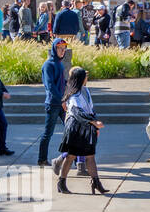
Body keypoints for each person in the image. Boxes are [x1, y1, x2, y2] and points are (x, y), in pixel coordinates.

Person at [54, 66, 109, 195]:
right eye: (85, 76)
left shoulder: (86, 90)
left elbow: (90, 109)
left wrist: (94, 124)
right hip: (75, 127)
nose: (87, 78)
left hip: (86, 126)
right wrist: (94, 122)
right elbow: (77, 112)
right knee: (71, 156)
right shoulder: (73, 95)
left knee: (90, 156)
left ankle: (96, 182)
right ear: (80, 78)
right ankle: (61, 182)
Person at [37, 39, 69, 167]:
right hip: (53, 104)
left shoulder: (60, 64)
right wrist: (61, 100)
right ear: (54, 49)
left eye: (64, 48)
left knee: (71, 129)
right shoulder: (48, 65)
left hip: (62, 103)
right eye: (60, 48)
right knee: (48, 133)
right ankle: (42, 159)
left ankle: (73, 159)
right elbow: (50, 86)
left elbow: (62, 82)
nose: (63, 50)